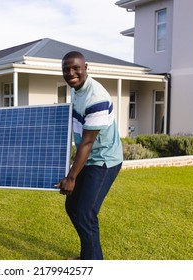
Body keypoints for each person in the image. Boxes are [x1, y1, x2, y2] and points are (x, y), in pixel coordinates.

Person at [56, 51, 123, 260]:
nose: (71, 73)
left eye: (76, 68)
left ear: (86, 67)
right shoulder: (77, 89)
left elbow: (87, 142)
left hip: (104, 160)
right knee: (73, 207)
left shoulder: (97, 97)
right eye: (66, 69)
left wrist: (71, 177)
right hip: (90, 158)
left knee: (86, 212)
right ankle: (88, 256)